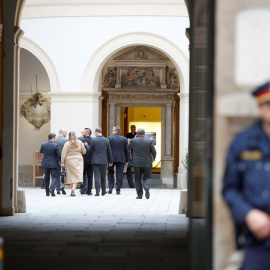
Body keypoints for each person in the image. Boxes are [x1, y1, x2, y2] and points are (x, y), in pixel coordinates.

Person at [223, 82, 270, 270]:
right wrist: (249, 214)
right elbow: (230, 189)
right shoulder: (243, 143)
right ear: (260, 108)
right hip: (258, 240)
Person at [127, 128, 156, 199]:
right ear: (144, 134)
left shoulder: (133, 141)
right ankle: (147, 186)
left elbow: (128, 148)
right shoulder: (149, 141)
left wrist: (133, 139)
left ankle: (139, 195)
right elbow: (154, 151)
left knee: (137, 179)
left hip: (136, 163)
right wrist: (153, 159)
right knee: (147, 176)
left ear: (137, 134)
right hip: (147, 162)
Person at [88, 127, 113, 196]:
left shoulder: (94, 140)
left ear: (96, 132)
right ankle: (103, 191)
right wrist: (110, 161)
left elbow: (89, 151)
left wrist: (87, 146)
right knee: (103, 176)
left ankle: (97, 191)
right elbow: (109, 151)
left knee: (96, 175)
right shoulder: (106, 140)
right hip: (104, 161)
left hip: (95, 160)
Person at [61, 131, 86, 196]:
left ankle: (72, 188)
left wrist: (62, 161)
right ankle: (74, 188)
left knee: (71, 175)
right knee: (77, 175)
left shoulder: (67, 143)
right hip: (78, 160)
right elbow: (84, 152)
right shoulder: (80, 142)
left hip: (69, 160)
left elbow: (64, 153)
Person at [108, 126, 129, 195]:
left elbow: (108, 150)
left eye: (113, 130)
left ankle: (110, 187)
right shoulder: (124, 139)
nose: (112, 131)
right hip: (121, 158)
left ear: (115, 131)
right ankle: (118, 189)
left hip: (112, 158)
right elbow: (126, 150)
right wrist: (127, 159)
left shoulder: (110, 138)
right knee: (119, 173)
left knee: (110, 172)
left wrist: (108, 159)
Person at [79, 128, 93, 195]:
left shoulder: (81, 140)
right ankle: (89, 190)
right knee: (90, 176)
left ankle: (82, 187)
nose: (83, 133)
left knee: (82, 175)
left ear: (87, 133)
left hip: (83, 160)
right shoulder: (93, 140)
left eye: (84, 132)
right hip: (91, 160)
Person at [55, 128, 68, 195]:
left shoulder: (55, 139)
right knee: (63, 173)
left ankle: (57, 189)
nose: (66, 134)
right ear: (62, 132)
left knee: (57, 174)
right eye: (65, 132)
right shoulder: (65, 140)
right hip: (64, 159)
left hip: (56, 159)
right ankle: (62, 186)